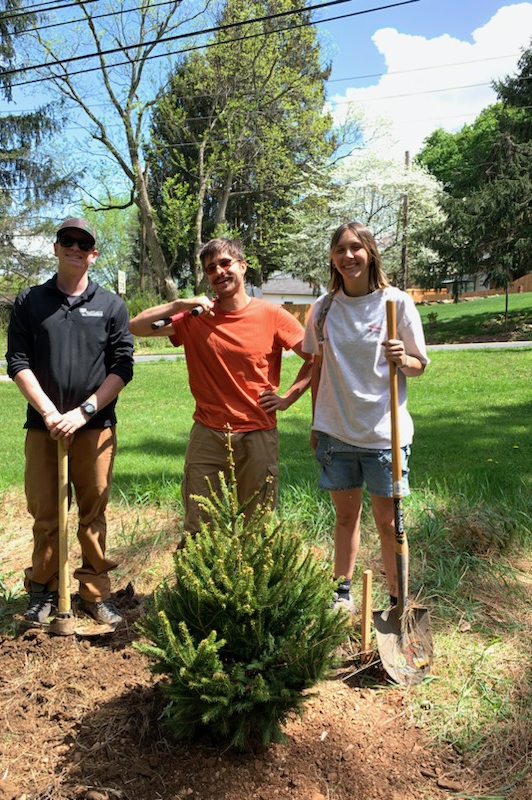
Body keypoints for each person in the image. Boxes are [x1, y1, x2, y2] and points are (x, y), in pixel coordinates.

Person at [128, 237, 313, 541]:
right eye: (211, 268)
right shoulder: (195, 317)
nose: (219, 272)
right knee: (199, 525)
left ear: (243, 266)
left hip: (257, 433)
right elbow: (136, 326)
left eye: (226, 263)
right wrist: (180, 304)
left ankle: (250, 573)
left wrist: (289, 398)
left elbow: (314, 358)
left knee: (257, 524)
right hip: (208, 435)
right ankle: (200, 574)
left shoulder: (272, 315)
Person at [6, 217, 134, 628]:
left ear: (93, 254)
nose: (75, 248)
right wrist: (50, 413)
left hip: (94, 428)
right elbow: (17, 362)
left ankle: (95, 593)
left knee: (92, 514)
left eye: (83, 243)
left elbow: (122, 367)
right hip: (44, 428)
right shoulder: (30, 301)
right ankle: (43, 591)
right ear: (56, 247)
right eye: (68, 240)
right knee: (46, 514)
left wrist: (83, 413)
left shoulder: (111, 305)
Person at [303, 221, 429, 613]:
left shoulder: (396, 303)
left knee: (388, 522)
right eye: (340, 249)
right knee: (345, 517)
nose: (348, 256)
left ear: (370, 253)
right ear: (332, 257)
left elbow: (419, 365)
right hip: (336, 433)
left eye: (356, 247)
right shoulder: (323, 309)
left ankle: (397, 599)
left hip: (384, 434)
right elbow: (317, 368)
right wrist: (316, 423)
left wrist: (402, 358)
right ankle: (341, 593)